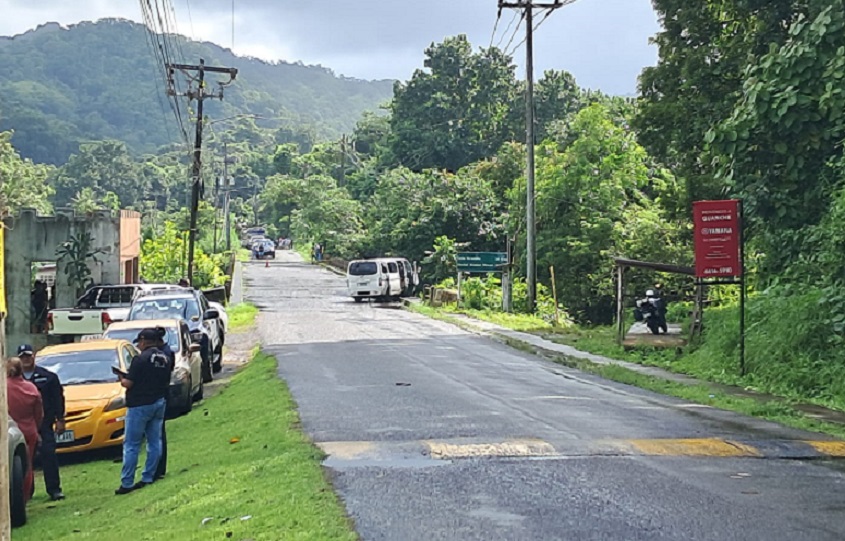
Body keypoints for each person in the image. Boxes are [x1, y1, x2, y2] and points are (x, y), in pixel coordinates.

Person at [114, 329, 171, 495]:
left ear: (145, 341)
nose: (138, 345)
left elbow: (129, 383)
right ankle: (149, 476)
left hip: (139, 405)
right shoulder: (165, 358)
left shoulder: (140, 359)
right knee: (155, 441)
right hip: (159, 401)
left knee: (132, 444)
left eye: (139, 342)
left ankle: (127, 482)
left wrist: (121, 378)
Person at [19, 344, 65, 501]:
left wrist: (60, 419)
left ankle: (54, 489)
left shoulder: (48, 377)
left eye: (28, 356)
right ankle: (27, 492)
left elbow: (58, 399)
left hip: (44, 423)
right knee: (24, 459)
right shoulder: (12, 380)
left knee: (49, 456)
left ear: (33, 357)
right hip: (21, 425)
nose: (25, 360)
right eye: (22, 357)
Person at [6, 356, 43, 503]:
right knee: (27, 466)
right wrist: (36, 428)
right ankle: (25, 497)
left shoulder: (4, 388)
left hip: (9, 429)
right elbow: (39, 413)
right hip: (29, 429)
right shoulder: (31, 388)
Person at [152, 327, 175, 481]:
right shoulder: (166, 351)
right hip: (161, 394)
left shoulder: (163, 354)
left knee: (158, 433)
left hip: (159, 395)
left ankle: (158, 468)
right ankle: (158, 467)